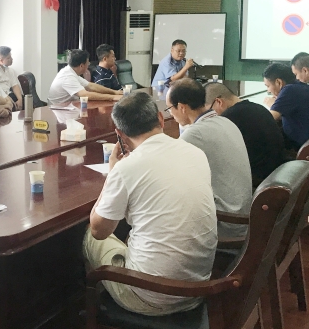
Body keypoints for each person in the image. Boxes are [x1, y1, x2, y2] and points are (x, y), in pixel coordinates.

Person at [83, 92, 217, 316]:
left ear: (120, 134)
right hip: (199, 288)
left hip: (151, 296)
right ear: (161, 119)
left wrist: (112, 174)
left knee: (88, 235)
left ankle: (95, 311)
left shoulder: (126, 169)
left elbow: (99, 231)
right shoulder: (195, 153)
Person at [166, 79, 252, 238]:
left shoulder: (194, 134)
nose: (170, 113)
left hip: (226, 224)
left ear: (182, 107)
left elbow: (165, 173)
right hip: (243, 215)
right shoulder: (225, 121)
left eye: (170, 108)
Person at [205, 82, 286, 187]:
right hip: (277, 171)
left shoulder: (228, 119)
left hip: (256, 180)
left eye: (209, 111)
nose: (210, 116)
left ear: (219, 102)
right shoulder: (259, 108)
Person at [263, 62, 309, 150]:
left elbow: (268, 118)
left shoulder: (289, 90)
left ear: (279, 82)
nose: (268, 91)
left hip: (307, 148)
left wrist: (273, 105)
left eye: (268, 86)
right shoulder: (302, 87)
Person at [47, 49, 122, 105]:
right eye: (88, 63)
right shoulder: (67, 77)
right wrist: (112, 97)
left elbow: (91, 86)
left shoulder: (71, 71)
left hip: (70, 106)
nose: (88, 65)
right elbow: (85, 95)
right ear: (81, 66)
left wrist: (115, 92)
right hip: (58, 110)